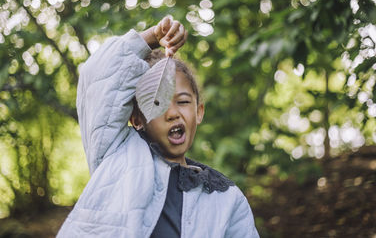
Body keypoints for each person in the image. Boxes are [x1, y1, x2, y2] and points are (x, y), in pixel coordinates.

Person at [57, 16, 260, 238]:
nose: (173, 113)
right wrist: (153, 37)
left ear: (198, 112)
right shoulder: (115, 154)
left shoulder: (227, 198)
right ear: (137, 119)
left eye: (182, 102)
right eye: (158, 103)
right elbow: (96, 76)